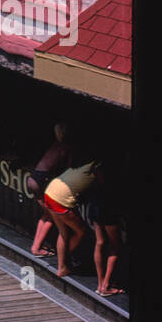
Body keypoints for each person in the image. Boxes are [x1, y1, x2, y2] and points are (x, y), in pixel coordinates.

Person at [43, 156, 102, 279]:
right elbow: (102, 184)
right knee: (81, 232)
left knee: (63, 232)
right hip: (60, 198)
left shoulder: (83, 161)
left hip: (50, 191)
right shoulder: (97, 166)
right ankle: (64, 262)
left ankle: (62, 267)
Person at [26, 122, 72, 257]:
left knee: (46, 214)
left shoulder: (55, 145)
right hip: (42, 179)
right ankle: (36, 248)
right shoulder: (66, 147)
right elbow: (68, 168)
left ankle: (36, 246)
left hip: (33, 178)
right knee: (51, 216)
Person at [82, 166, 125, 296]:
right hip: (108, 205)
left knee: (100, 242)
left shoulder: (97, 169)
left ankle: (101, 284)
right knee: (115, 246)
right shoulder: (114, 174)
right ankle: (105, 285)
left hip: (96, 203)